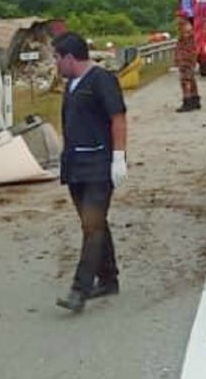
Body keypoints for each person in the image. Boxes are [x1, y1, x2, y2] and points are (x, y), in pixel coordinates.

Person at [52, 32, 128, 313]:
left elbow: (117, 118)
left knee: (91, 226)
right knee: (94, 222)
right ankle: (108, 278)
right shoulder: (71, 84)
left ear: (70, 58)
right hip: (75, 167)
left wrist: (118, 157)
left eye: (57, 58)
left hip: (98, 166)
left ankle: (79, 289)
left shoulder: (102, 80)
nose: (56, 64)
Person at [174, 13, 200, 112]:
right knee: (191, 79)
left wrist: (179, 58)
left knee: (185, 80)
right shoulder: (188, 28)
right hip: (189, 56)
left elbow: (183, 45)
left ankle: (187, 101)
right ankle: (195, 99)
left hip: (186, 57)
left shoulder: (185, 29)